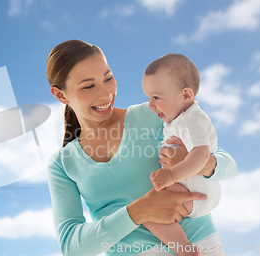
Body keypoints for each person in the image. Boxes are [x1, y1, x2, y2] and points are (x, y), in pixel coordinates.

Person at [46, 39, 236, 256]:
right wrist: (137, 212)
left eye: (108, 78)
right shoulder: (62, 164)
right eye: (89, 86)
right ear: (61, 95)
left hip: (200, 246)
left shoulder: (153, 114)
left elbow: (229, 166)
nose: (105, 93)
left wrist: (198, 161)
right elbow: (72, 247)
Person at [140, 54, 222, 256]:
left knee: (147, 211)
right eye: (148, 98)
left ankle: (186, 251)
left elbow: (201, 155)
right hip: (199, 189)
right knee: (148, 207)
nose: (150, 105)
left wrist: (171, 175)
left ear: (186, 95)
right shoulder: (180, 118)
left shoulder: (191, 121)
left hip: (197, 190)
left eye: (156, 98)